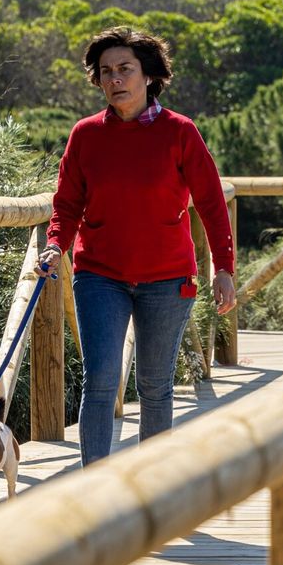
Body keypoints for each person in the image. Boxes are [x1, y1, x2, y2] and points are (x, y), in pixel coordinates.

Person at [36, 26, 237, 466]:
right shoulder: (86, 136)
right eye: (106, 71)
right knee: (102, 380)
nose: (115, 79)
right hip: (100, 275)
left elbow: (211, 204)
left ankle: (149, 494)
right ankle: (95, 489)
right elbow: (66, 204)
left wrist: (223, 268)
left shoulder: (180, 132)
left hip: (167, 278)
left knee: (154, 384)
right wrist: (56, 245)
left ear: (148, 75)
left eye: (125, 69)